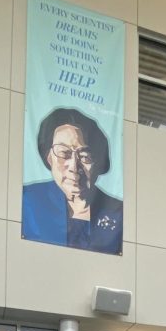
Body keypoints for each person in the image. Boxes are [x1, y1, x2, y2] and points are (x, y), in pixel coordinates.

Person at [22, 107, 123, 254]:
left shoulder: (118, 211)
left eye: (84, 156)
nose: (74, 167)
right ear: (49, 157)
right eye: (64, 153)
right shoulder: (28, 199)